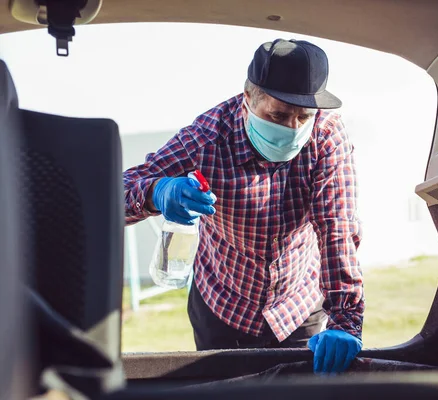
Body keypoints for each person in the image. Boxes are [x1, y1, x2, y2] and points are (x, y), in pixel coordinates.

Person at [123, 39, 364, 374]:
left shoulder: (326, 136)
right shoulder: (207, 137)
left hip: (298, 306)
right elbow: (117, 193)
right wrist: (155, 191)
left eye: (303, 116)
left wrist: (345, 322)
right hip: (223, 304)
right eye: (278, 115)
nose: (292, 129)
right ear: (248, 98)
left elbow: (336, 226)